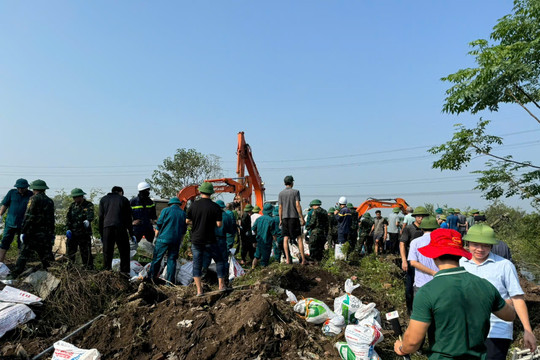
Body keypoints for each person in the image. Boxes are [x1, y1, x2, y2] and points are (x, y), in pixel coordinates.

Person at [394, 228, 515, 359]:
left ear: (434, 255)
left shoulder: (427, 292)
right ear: (460, 254)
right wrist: (507, 302)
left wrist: (401, 348)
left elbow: (412, 342)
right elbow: (510, 316)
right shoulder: (485, 286)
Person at [460, 224, 536, 359]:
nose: (480, 249)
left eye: (485, 245)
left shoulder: (504, 265)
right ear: (468, 243)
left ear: (492, 246)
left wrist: (528, 330)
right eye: (475, 245)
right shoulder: (461, 264)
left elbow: (517, 298)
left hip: (497, 330)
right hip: (466, 330)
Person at [186, 182, 226, 295]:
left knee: (197, 264)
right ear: (211, 193)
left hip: (197, 240)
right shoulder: (215, 207)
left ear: (200, 192)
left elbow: (187, 221)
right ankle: (221, 285)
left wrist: (197, 222)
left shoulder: (193, 205)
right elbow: (219, 224)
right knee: (219, 261)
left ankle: (199, 290)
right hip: (210, 239)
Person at [11, 179, 55, 278]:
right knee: (47, 258)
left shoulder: (33, 199)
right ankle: (54, 276)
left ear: (34, 189)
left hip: (32, 234)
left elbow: (28, 217)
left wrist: (23, 231)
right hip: (45, 235)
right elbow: (52, 219)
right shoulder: (49, 201)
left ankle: (13, 277)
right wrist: (51, 233)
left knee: (23, 256)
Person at [149, 197, 186, 284]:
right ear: (179, 204)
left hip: (163, 239)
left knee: (157, 259)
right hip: (175, 241)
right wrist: (180, 241)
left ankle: (151, 279)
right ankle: (169, 283)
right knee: (172, 260)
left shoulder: (165, 210)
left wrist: (155, 237)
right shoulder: (183, 213)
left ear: (170, 204)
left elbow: (159, 225)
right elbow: (183, 231)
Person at [99, 186, 134, 274]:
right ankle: (125, 273)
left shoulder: (103, 199)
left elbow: (100, 217)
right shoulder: (124, 200)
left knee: (107, 251)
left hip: (107, 227)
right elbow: (128, 218)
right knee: (124, 251)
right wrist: (131, 232)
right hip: (120, 227)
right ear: (120, 192)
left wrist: (101, 234)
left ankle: (107, 271)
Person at [400, 206, 428, 314]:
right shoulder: (409, 229)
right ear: (415, 217)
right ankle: (410, 310)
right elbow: (402, 244)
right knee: (410, 286)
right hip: (411, 261)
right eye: (419, 216)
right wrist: (403, 260)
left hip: (424, 262)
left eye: (423, 216)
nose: (421, 218)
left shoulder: (427, 230)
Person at [0, 178, 33, 263]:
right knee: (4, 243)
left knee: (21, 245)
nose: (20, 189)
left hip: (23, 225)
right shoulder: (12, 193)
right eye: (19, 188)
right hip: (10, 223)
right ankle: (0, 263)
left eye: (22, 188)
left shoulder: (31, 195)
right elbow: (5, 205)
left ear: (27, 187)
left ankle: (18, 265)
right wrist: (0, 214)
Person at [278, 175, 306, 265]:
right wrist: (301, 217)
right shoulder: (296, 192)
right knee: (299, 238)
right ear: (292, 183)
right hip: (294, 218)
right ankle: (303, 259)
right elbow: (297, 205)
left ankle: (287, 259)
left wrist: (280, 219)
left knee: (285, 238)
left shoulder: (281, 193)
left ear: (284, 183)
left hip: (285, 218)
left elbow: (280, 207)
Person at [407, 216, 439, 292]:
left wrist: (433, 273)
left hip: (421, 284)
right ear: (436, 228)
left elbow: (413, 262)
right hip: (438, 283)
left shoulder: (415, 242)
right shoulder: (441, 241)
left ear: (421, 228)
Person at [65, 188, 95, 269]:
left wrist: (88, 220)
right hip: (73, 233)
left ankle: (88, 268)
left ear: (81, 196)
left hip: (84, 233)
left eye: (76, 197)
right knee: (70, 252)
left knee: (86, 252)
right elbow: (68, 218)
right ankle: (69, 268)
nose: (75, 199)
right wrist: (68, 229)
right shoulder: (72, 206)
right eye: (73, 197)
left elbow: (91, 214)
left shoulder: (88, 205)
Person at [252, 203, 276, 268]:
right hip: (267, 243)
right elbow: (273, 233)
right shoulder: (271, 220)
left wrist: (257, 235)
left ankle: (252, 269)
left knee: (256, 257)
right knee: (264, 260)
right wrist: (276, 242)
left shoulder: (258, 219)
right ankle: (262, 272)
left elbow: (253, 229)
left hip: (259, 241)